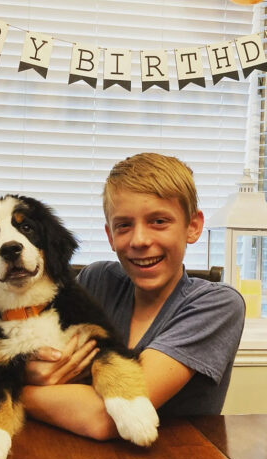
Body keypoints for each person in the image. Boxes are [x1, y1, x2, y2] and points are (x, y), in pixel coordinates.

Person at [21, 152, 245, 441]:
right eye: (124, 225)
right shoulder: (96, 280)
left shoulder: (218, 306)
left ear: (193, 226)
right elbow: (36, 359)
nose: (139, 240)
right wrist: (34, 373)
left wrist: (15, 391)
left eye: (159, 221)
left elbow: (104, 419)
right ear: (110, 235)